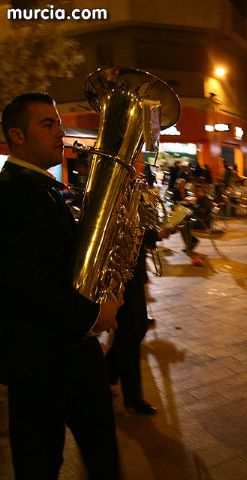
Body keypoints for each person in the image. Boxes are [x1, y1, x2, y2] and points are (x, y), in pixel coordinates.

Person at [0, 92, 122, 480]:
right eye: (48, 124)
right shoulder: (9, 194)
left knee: (102, 457)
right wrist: (93, 315)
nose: (61, 132)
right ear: (17, 136)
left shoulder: (43, 188)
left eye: (59, 123)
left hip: (69, 358)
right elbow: (24, 284)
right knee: (40, 465)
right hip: (40, 365)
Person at [105, 228, 170, 414]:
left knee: (137, 329)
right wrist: (155, 234)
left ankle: (105, 374)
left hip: (133, 273)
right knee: (129, 334)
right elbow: (129, 231)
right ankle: (132, 397)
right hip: (124, 275)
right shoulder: (124, 200)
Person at [180, 184, 212, 254]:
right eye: (195, 191)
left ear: (202, 192)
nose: (196, 192)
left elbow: (201, 215)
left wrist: (190, 216)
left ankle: (191, 244)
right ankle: (192, 243)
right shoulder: (199, 200)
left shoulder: (205, 201)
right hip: (198, 221)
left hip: (203, 223)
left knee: (185, 226)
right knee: (182, 225)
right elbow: (195, 211)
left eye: (198, 191)